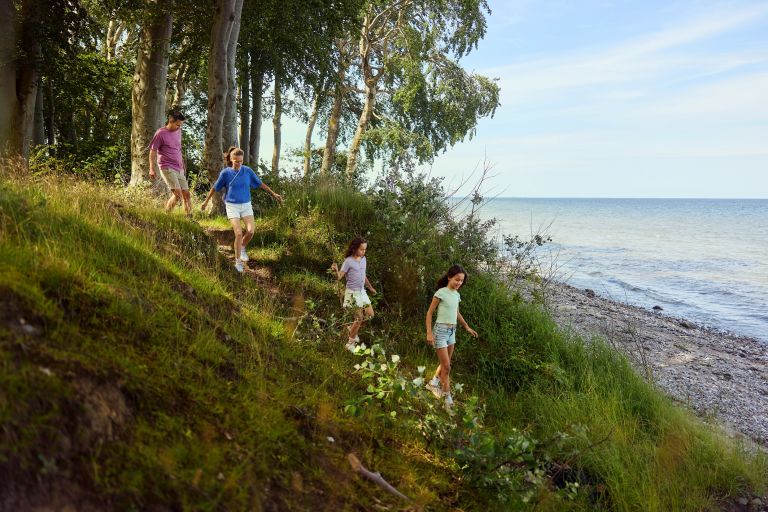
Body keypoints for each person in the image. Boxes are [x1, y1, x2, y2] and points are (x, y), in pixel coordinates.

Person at [201, 148, 283, 273]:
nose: (238, 164)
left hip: (246, 205)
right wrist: (206, 202)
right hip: (232, 206)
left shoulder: (247, 171)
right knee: (238, 233)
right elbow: (215, 188)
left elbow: (260, 184)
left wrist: (274, 194)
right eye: (236, 161)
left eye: (241, 161)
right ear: (231, 160)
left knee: (250, 231)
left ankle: (243, 246)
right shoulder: (226, 173)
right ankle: (238, 262)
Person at [425, 265, 478, 410]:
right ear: (449, 277)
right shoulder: (441, 293)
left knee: (445, 364)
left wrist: (466, 327)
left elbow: (456, 313)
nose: (459, 283)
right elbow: (429, 313)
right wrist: (429, 333)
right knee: (447, 367)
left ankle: (433, 383)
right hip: (440, 331)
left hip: (452, 332)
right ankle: (447, 399)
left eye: (461, 281)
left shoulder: (456, 295)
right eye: (457, 280)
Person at [331, 237, 377, 352]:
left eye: (365, 249)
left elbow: (363, 275)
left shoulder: (363, 259)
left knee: (370, 315)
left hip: (362, 292)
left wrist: (370, 287)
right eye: (361, 249)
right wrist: (335, 270)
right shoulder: (348, 261)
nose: (363, 252)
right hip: (352, 293)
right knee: (359, 317)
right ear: (355, 248)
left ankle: (351, 329)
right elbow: (339, 277)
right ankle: (350, 343)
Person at [149, 110, 191, 216]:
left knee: (187, 194)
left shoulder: (179, 131)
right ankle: (166, 215)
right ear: (170, 120)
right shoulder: (160, 133)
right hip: (166, 166)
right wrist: (151, 168)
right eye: (177, 125)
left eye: (180, 125)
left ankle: (189, 218)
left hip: (179, 168)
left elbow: (178, 148)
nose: (179, 127)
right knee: (178, 195)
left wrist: (183, 165)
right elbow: (152, 151)